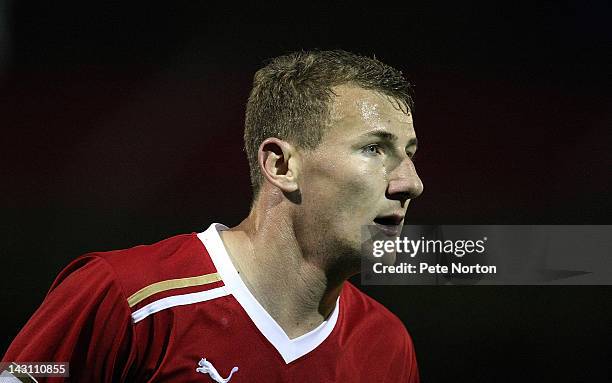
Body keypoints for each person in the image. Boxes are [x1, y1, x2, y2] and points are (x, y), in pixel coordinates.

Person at [2, 50, 423, 382]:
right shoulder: (127, 297)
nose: (411, 183)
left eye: (409, 154)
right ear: (280, 166)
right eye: (374, 149)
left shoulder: (387, 345)